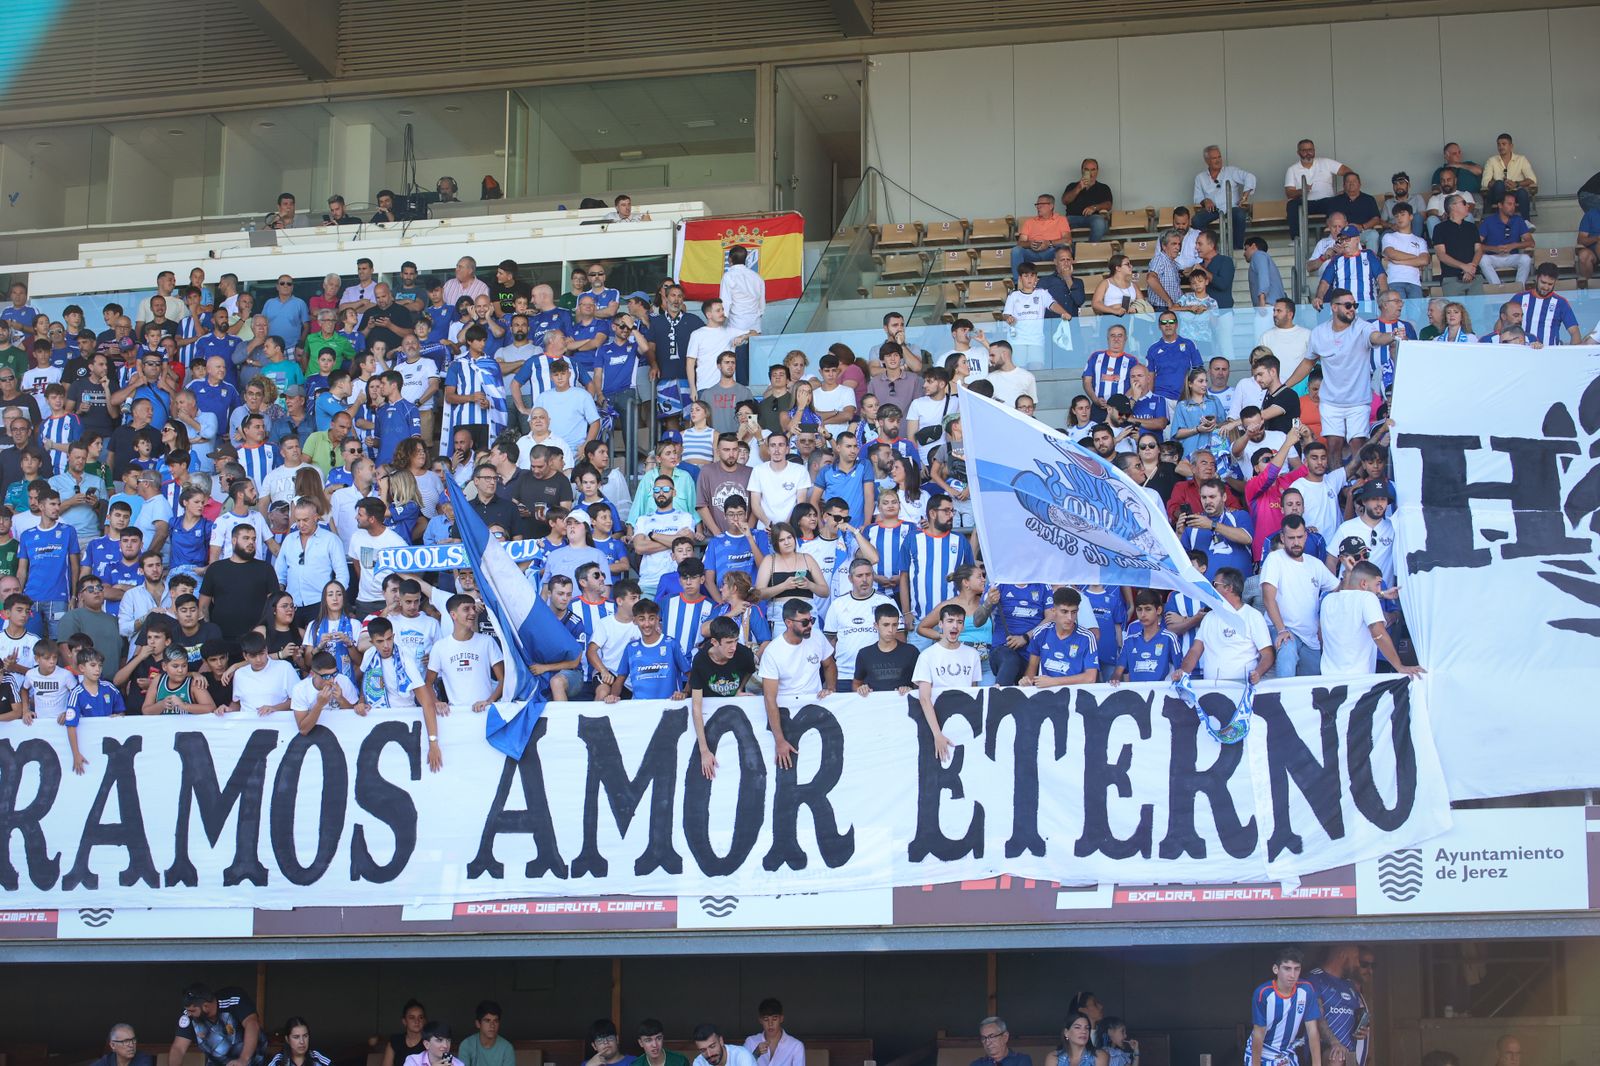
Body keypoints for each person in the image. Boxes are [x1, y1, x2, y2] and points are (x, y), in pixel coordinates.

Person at [759, 598, 835, 768]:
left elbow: (829, 665)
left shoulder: (816, 636)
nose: (810, 625)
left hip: (816, 708)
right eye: (805, 622)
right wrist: (779, 740)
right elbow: (769, 699)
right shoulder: (773, 652)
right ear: (788, 622)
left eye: (812, 620)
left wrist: (830, 689)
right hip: (787, 714)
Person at [1261, 515, 1339, 676]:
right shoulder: (1275, 559)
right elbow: (1268, 598)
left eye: (1299, 537)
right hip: (1283, 629)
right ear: (1282, 538)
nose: (1296, 542)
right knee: (1287, 649)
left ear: (1306, 536)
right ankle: (1282, 698)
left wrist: (1351, 570)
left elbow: (1339, 589)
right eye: (1291, 538)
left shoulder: (1315, 564)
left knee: (1314, 691)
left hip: (1310, 638)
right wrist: (1281, 630)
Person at [1319, 561, 1421, 677]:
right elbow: (1379, 635)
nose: (1379, 589)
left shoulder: (1327, 600)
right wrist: (1399, 666)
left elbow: (1322, 635)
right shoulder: (1368, 598)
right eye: (1378, 584)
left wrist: (1381, 594)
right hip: (1358, 679)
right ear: (1363, 583)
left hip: (1328, 677)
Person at [1179, 568, 1273, 684]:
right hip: (1210, 689)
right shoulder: (1209, 617)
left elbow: (1268, 654)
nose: (1212, 588)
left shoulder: (1252, 616)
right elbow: (1195, 651)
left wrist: (1258, 673)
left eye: (1215, 584)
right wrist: (1182, 672)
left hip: (1242, 689)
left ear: (1229, 588)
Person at [1248, 948, 1324, 1066]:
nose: (1292, 975)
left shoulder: (1306, 990)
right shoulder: (1264, 993)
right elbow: (1258, 1034)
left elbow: (1312, 1031)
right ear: (1275, 969)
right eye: (1287, 969)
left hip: (1286, 1055)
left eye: (1296, 969)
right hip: (1263, 1054)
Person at [427, 595, 504, 711]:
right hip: (456, 714)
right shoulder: (440, 647)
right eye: (466, 609)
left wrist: (489, 701)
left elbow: (504, 679)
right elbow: (428, 683)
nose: (473, 612)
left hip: (486, 712)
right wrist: (437, 702)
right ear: (453, 615)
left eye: (473, 608)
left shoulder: (487, 642)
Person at [170, 983, 265, 1066]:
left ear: (206, 1006)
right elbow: (178, 1048)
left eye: (192, 1010)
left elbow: (252, 1024)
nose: (189, 1014)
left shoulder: (233, 999)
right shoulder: (188, 1015)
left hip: (252, 1060)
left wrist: (244, 1059)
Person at [1306, 944, 1364, 1066]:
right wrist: (1334, 1043)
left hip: (1349, 1055)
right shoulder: (1315, 978)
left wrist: (1363, 1029)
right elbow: (1317, 1018)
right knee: (1336, 1057)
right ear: (1343, 955)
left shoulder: (1349, 985)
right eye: (1355, 958)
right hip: (1324, 1050)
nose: (1358, 964)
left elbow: (1358, 1016)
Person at [1194, 145, 1256, 249]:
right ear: (1207, 161)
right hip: (1213, 209)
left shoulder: (1231, 171)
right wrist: (1205, 200)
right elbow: (1197, 197)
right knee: (1196, 220)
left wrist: (1245, 196)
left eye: (1219, 157)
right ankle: (1211, 248)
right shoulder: (1200, 177)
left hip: (1232, 207)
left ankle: (1237, 248)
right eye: (1214, 158)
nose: (1218, 160)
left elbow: (1250, 177)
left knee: (1240, 214)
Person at [1477, 190, 1534, 286]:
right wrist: (1494, 249)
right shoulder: (1488, 221)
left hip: (1511, 256)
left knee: (1526, 259)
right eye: (1509, 204)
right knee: (1483, 259)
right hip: (1493, 257)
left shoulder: (1518, 220)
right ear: (1500, 205)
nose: (1513, 207)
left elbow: (1531, 242)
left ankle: (1518, 288)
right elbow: (1477, 245)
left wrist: (1514, 245)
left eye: (1514, 204)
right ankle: (1497, 288)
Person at [1013, 193, 1075, 279]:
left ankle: (1065, 279)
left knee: (1063, 248)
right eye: (1037, 204)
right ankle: (1017, 284)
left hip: (1052, 251)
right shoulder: (1029, 222)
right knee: (1016, 250)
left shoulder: (1061, 219)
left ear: (1051, 206)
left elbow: (1068, 240)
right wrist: (1030, 244)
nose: (1038, 207)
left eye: (1041, 204)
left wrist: (1049, 243)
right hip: (1032, 252)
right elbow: (1020, 243)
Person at [744, 999, 804, 1066]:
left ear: (781, 1019)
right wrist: (755, 1055)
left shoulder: (796, 1046)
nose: (770, 1024)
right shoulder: (751, 1042)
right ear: (760, 1020)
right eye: (766, 1019)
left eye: (774, 1019)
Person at [692, 1025, 757, 1066]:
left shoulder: (742, 1055)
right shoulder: (699, 1062)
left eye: (712, 1046)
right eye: (703, 1050)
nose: (709, 1054)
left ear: (721, 1041)